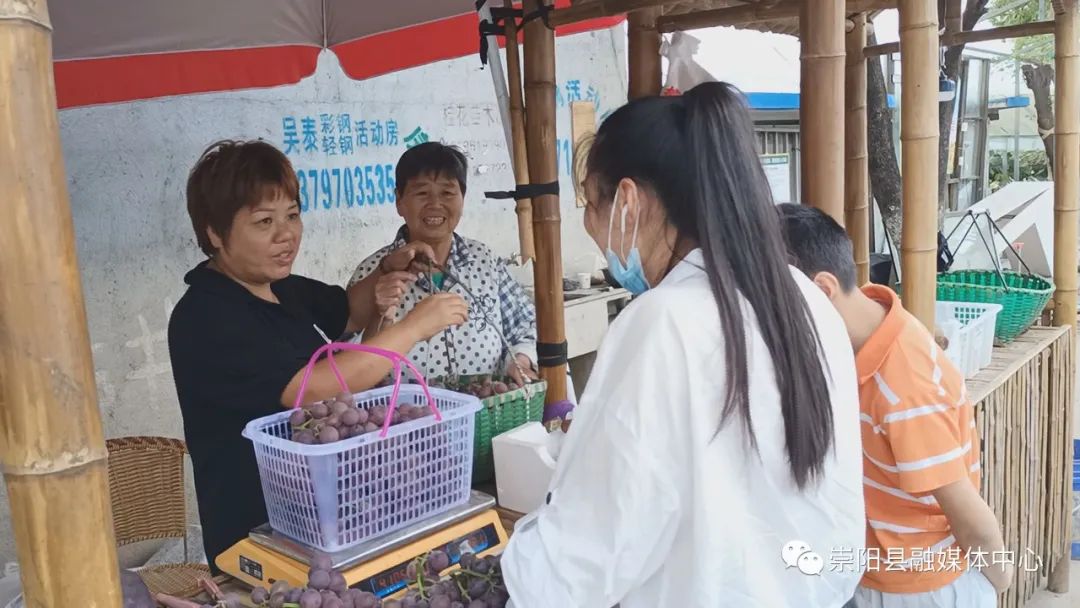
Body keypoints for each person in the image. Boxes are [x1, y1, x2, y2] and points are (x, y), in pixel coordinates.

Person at [499, 82, 866, 607]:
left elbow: (591, 551)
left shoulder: (663, 321)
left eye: (590, 201)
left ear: (628, 201)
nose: (589, 224)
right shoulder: (803, 295)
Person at [167, 140, 468, 569]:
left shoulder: (282, 288)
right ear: (215, 233)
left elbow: (350, 309)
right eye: (264, 222)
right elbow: (311, 388)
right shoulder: (207, 315)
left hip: (322, 515)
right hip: (259, 530)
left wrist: (390, 267)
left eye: (292, 215)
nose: (286, 234)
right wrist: (415, 328)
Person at [777, 203, 1012, 607]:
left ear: (820, 291)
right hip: (872, 573)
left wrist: (997, 580)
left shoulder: (903, 382)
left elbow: (969, 516)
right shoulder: (860, 333)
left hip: (918, 590)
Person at [347, 142, 537, 383]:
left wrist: (518, 361)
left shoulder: (484, 260)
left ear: (462, 198)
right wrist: (380, 316)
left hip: (487, 415)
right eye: (422, 193)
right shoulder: (372, 273)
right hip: (406, 418)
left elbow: (526, 324)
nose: (435, 204)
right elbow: (345, 364)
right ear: (399, 201)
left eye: (447, 193)